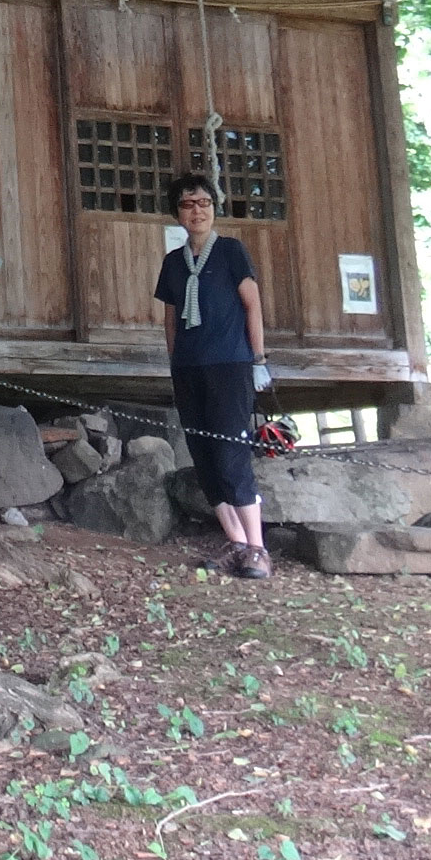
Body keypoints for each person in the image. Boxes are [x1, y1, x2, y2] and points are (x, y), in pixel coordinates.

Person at [155, 172, 272, 579]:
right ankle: (236, 543)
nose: (197, 211)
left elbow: (252, 305)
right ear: (177, 214)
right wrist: (175, 361)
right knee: (203, 454)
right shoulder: (173, 262)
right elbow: (170, 318)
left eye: (204, 203)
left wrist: (258, 359)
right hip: (189, 368)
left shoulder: (230, 251)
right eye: (188, 204)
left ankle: (258, 548)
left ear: (214, 208)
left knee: (230, 453)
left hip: (230, 365)